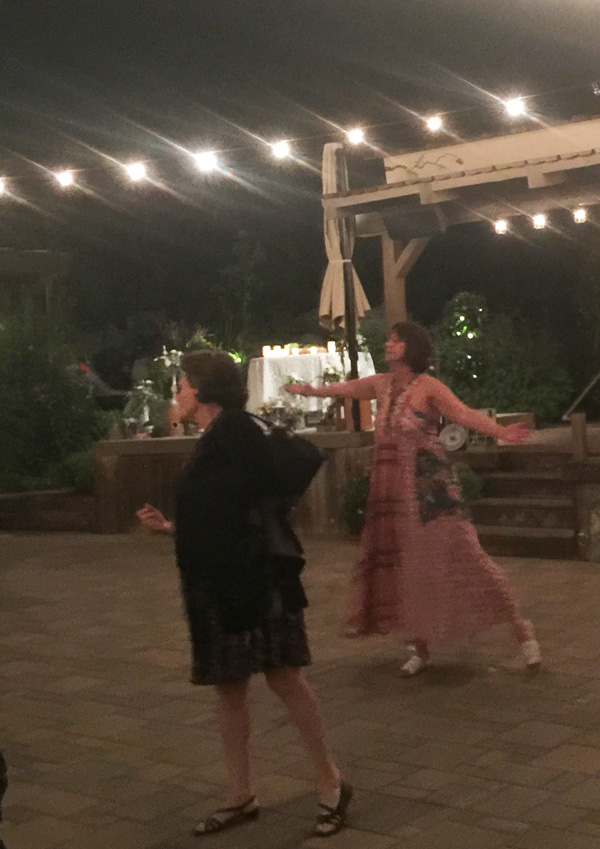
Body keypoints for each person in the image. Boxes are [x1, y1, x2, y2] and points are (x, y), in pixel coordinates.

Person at [137, 351, 352, 838]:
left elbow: (256, 503)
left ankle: (331, 782)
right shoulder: (218, 436)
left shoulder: (234, 431)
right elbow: (224, 510)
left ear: (202, 389)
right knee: (230, 687)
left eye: (182, 384)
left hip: (254, 580)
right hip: (223, 580)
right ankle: (240, 793)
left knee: (283, 677)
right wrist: (172, 528)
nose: (178, 393)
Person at [286, 321, 541, 675]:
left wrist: (501, 431)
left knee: (465, 553)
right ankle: (420, 646)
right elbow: (346, 388)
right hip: (389, 488)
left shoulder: (429, 387)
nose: (388, 344)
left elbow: (462, 413)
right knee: (404, 563)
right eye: (389, 339)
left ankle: (521, 630)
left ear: (412, 347)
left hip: (428, 486)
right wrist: (309, 391)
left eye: (396, 340)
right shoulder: (381, 384)